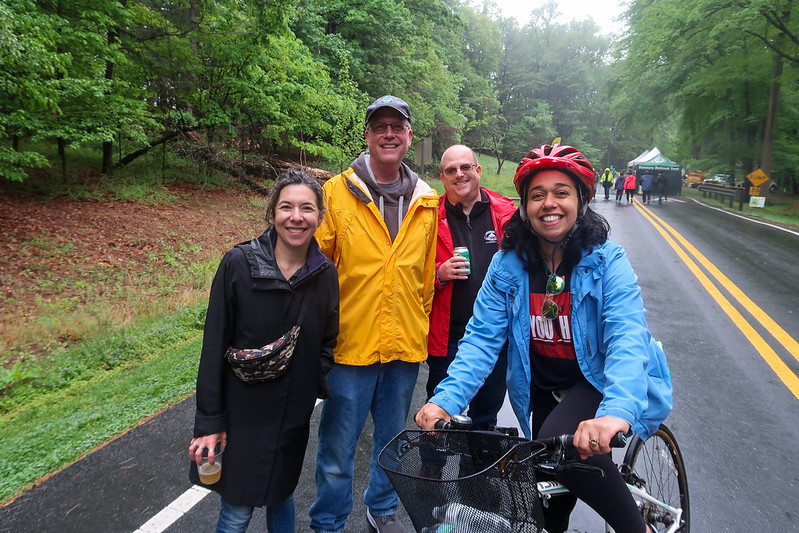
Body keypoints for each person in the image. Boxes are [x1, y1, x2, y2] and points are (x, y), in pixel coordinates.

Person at [415, 143, 672, 533]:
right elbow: (482, 339)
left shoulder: (607, 260)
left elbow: (626, 336)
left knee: (562, 447)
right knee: (547, 505)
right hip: (541, 390)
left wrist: (614, 412)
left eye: (561, 193)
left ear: (581, 201)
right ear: (524, 205)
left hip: (597, 383)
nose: (548, 203)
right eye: (538, 195)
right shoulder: (507, 264)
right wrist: (446, 400)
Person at [310, 95, 438, 533]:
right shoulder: (336, 192)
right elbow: (317, 267)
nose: (388, 134)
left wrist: (419, 324)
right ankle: (328, 520)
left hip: (403, 347)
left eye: (396, 127)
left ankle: (381, 509)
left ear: (408, 137)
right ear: (367, 135)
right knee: (337, 445)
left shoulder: (427, 201)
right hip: (351, 346)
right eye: (379, 126)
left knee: (392, 442)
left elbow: (424, 275)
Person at [189, 170, 339, 533]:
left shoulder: (325, 274)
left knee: (282, 497)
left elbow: (327, 340)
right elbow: (213, 348)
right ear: (273, 213)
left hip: (292, 417)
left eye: (307, 208)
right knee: (237, 511)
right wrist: (210, 423)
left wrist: (309, 382)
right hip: (242, 415)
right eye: (286, 206)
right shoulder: (238, 265)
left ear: (319, 216)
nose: (296, 217)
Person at [427, 144, 516, 431]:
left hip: (496, 340)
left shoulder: (505, 213)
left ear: (478, 170)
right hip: (449, 339)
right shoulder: (428, 218)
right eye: (451, 170)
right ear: (442, 177)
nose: (459, 174)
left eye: (465, 167)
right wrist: (438, 274)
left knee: (485, 421)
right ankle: (433, 474)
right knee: (440, 418)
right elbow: (408, 276)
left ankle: (476, 475)